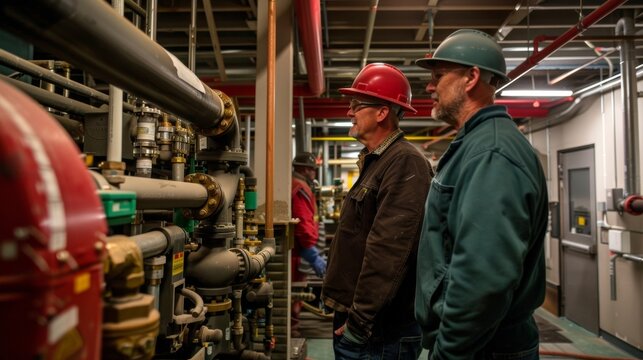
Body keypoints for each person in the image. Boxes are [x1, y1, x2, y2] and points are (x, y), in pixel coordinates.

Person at [414, 29, 548, 359]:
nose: (430, 87)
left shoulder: (491, 153)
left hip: (482, 349)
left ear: (471, 77)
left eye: (439, 76)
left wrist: (448, 352)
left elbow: (483, 280)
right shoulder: (476, 145)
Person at [322, 63, 433, 360]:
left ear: (382, 112)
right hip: (365, 323)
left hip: (379, 331)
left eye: (357, 105)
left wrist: (360, 322)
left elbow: (389, 251)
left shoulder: (404, 163)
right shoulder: (378, 161)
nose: (349, 112)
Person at [291, 152, 326, 337]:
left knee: (295, 296)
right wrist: (312, 252)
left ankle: (291, 338)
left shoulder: (296, 185)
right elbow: (303, 224)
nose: (314, 173)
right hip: (297, 253)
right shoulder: (300, 187)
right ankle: (290, 342)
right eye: (313, 169)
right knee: (293, 296)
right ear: (305, 169)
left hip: (298, 251)